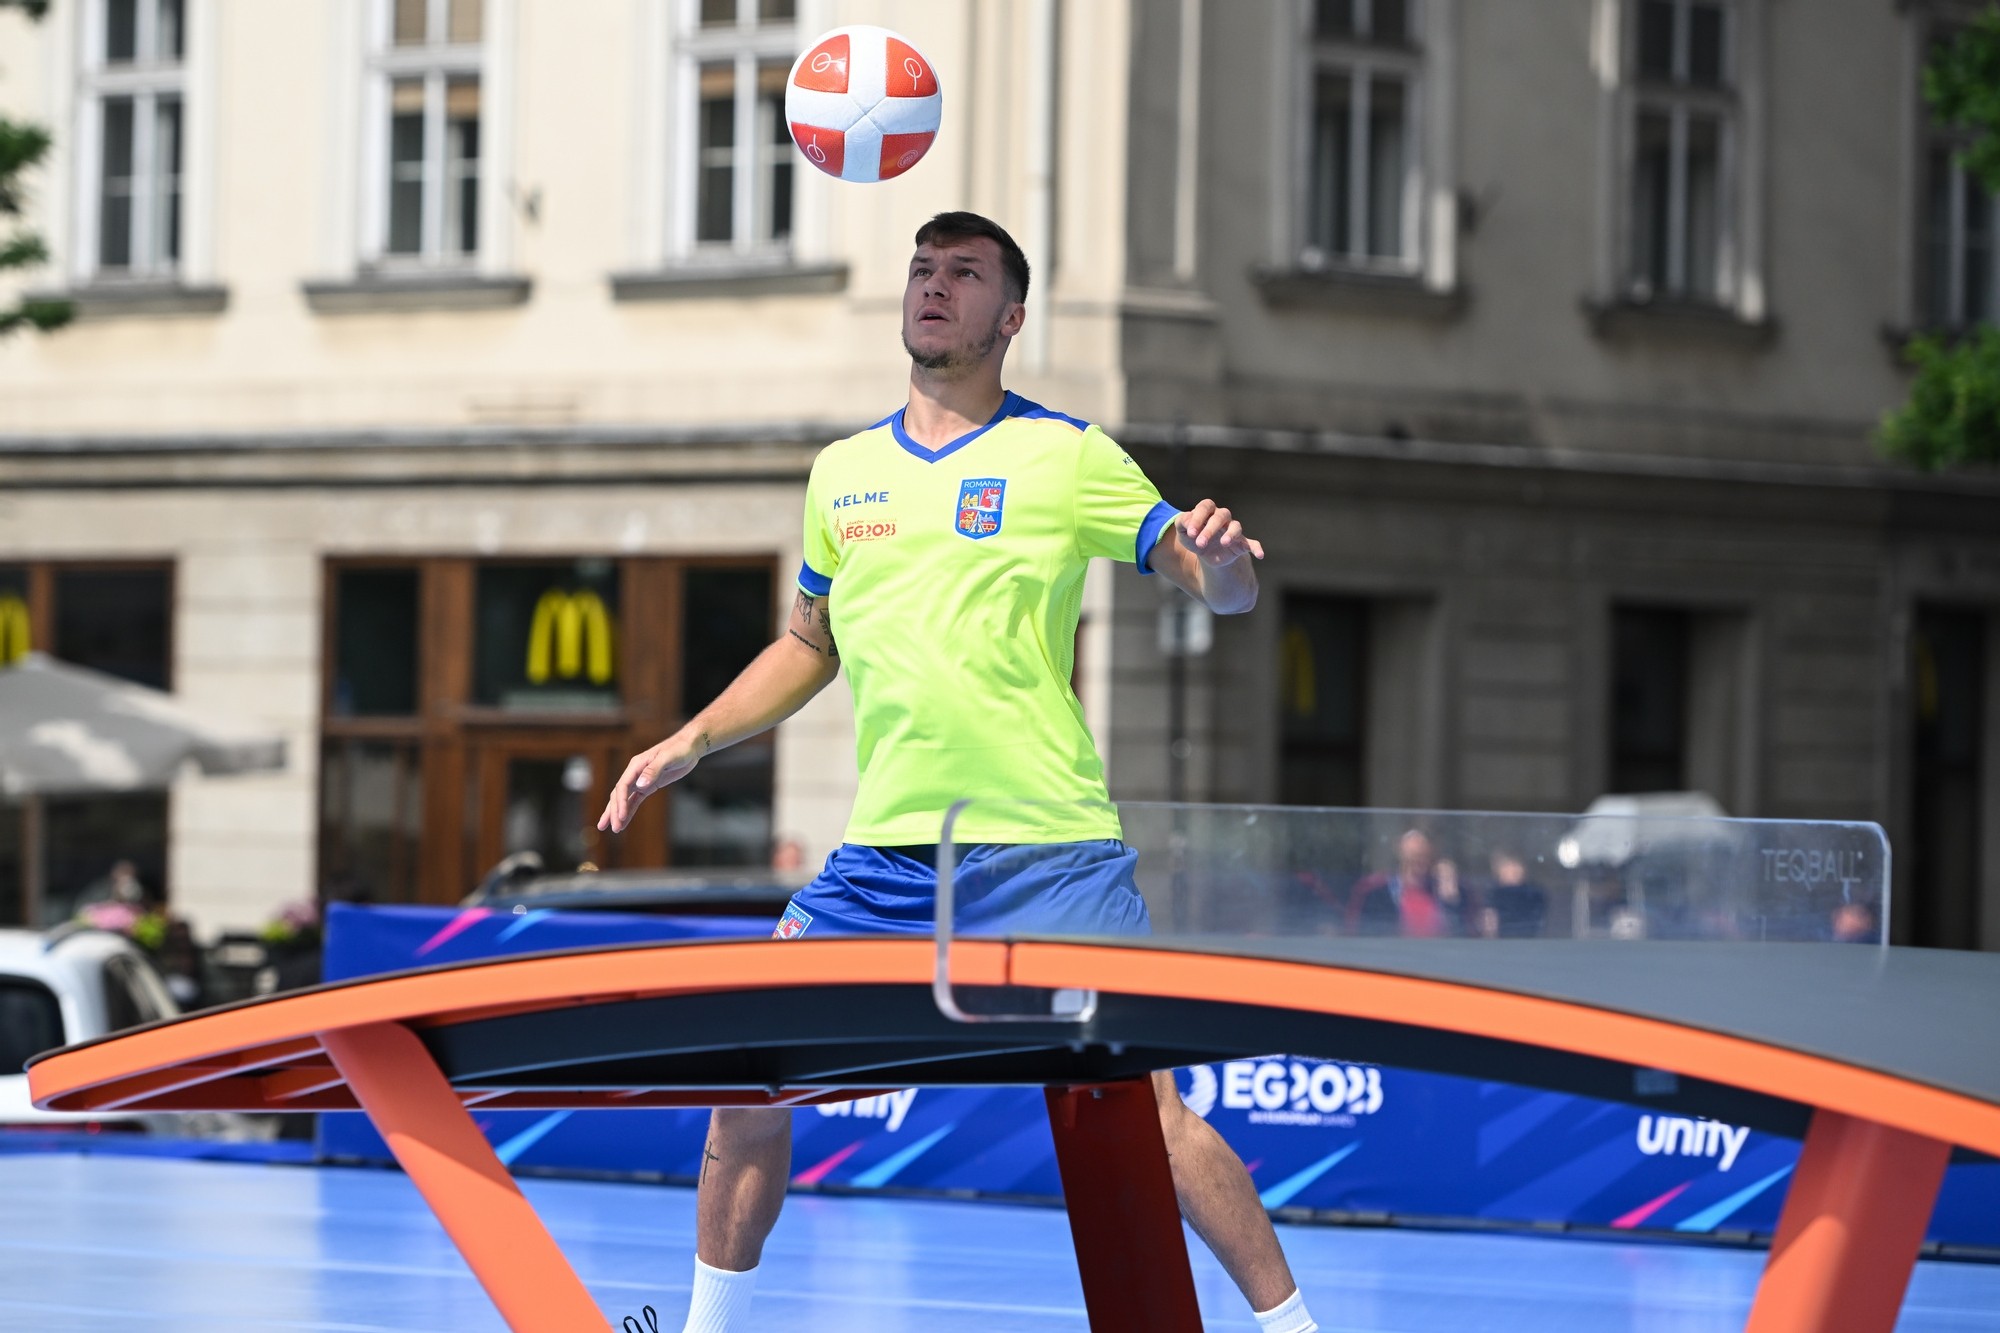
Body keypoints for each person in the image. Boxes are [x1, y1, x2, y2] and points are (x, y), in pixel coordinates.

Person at [600, 211, 1316, 1333]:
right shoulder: (841, 476)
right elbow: (809, 645)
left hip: (1049, 853)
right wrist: (689, 740)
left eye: (965, 273)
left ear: (1011, 316)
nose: (935, 286)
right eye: (923, 268)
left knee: (1147, 1112)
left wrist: (1225, 565)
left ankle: (1294, 1330)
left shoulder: (1068, 455)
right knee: (749, 1075)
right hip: (885, 862)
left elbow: (1209, 581)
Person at [1347, 829, 1460, 937]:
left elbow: (1459, 933)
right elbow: (1358, 932)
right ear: (1401, 856)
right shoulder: (1376, 893)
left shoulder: (1439, 893)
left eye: (1424, 856)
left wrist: (1450, 901)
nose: (1419, 862)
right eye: (1413, 856)